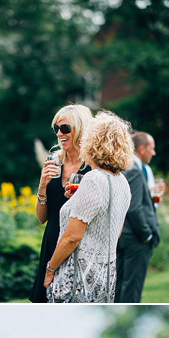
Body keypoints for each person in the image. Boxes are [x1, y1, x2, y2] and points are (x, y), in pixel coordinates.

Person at [43, 112, 133, 303]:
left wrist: (50, 269)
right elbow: (114, 231)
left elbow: (72, 237)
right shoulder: (122, 182)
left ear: (92, 142)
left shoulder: (93, 179)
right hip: (104, 276)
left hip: (77, 276)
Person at [29, 104, 92, 303]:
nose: (59, 133)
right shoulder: (54, 162)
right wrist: (42, 185)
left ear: (80, 129)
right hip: (51, 239)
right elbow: (41, 218)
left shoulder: (93, 167)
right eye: (56, 128)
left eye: (65, 128)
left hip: (80, 243)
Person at [115, 131, 160, 303]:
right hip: (136, 238)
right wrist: (146, 234)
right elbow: (133, 208)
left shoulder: (123, 166)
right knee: (132, 289)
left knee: (119, 287)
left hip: (122, 236)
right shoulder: (134, 169)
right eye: (152, 148)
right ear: (141, 149)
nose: (153, 153)